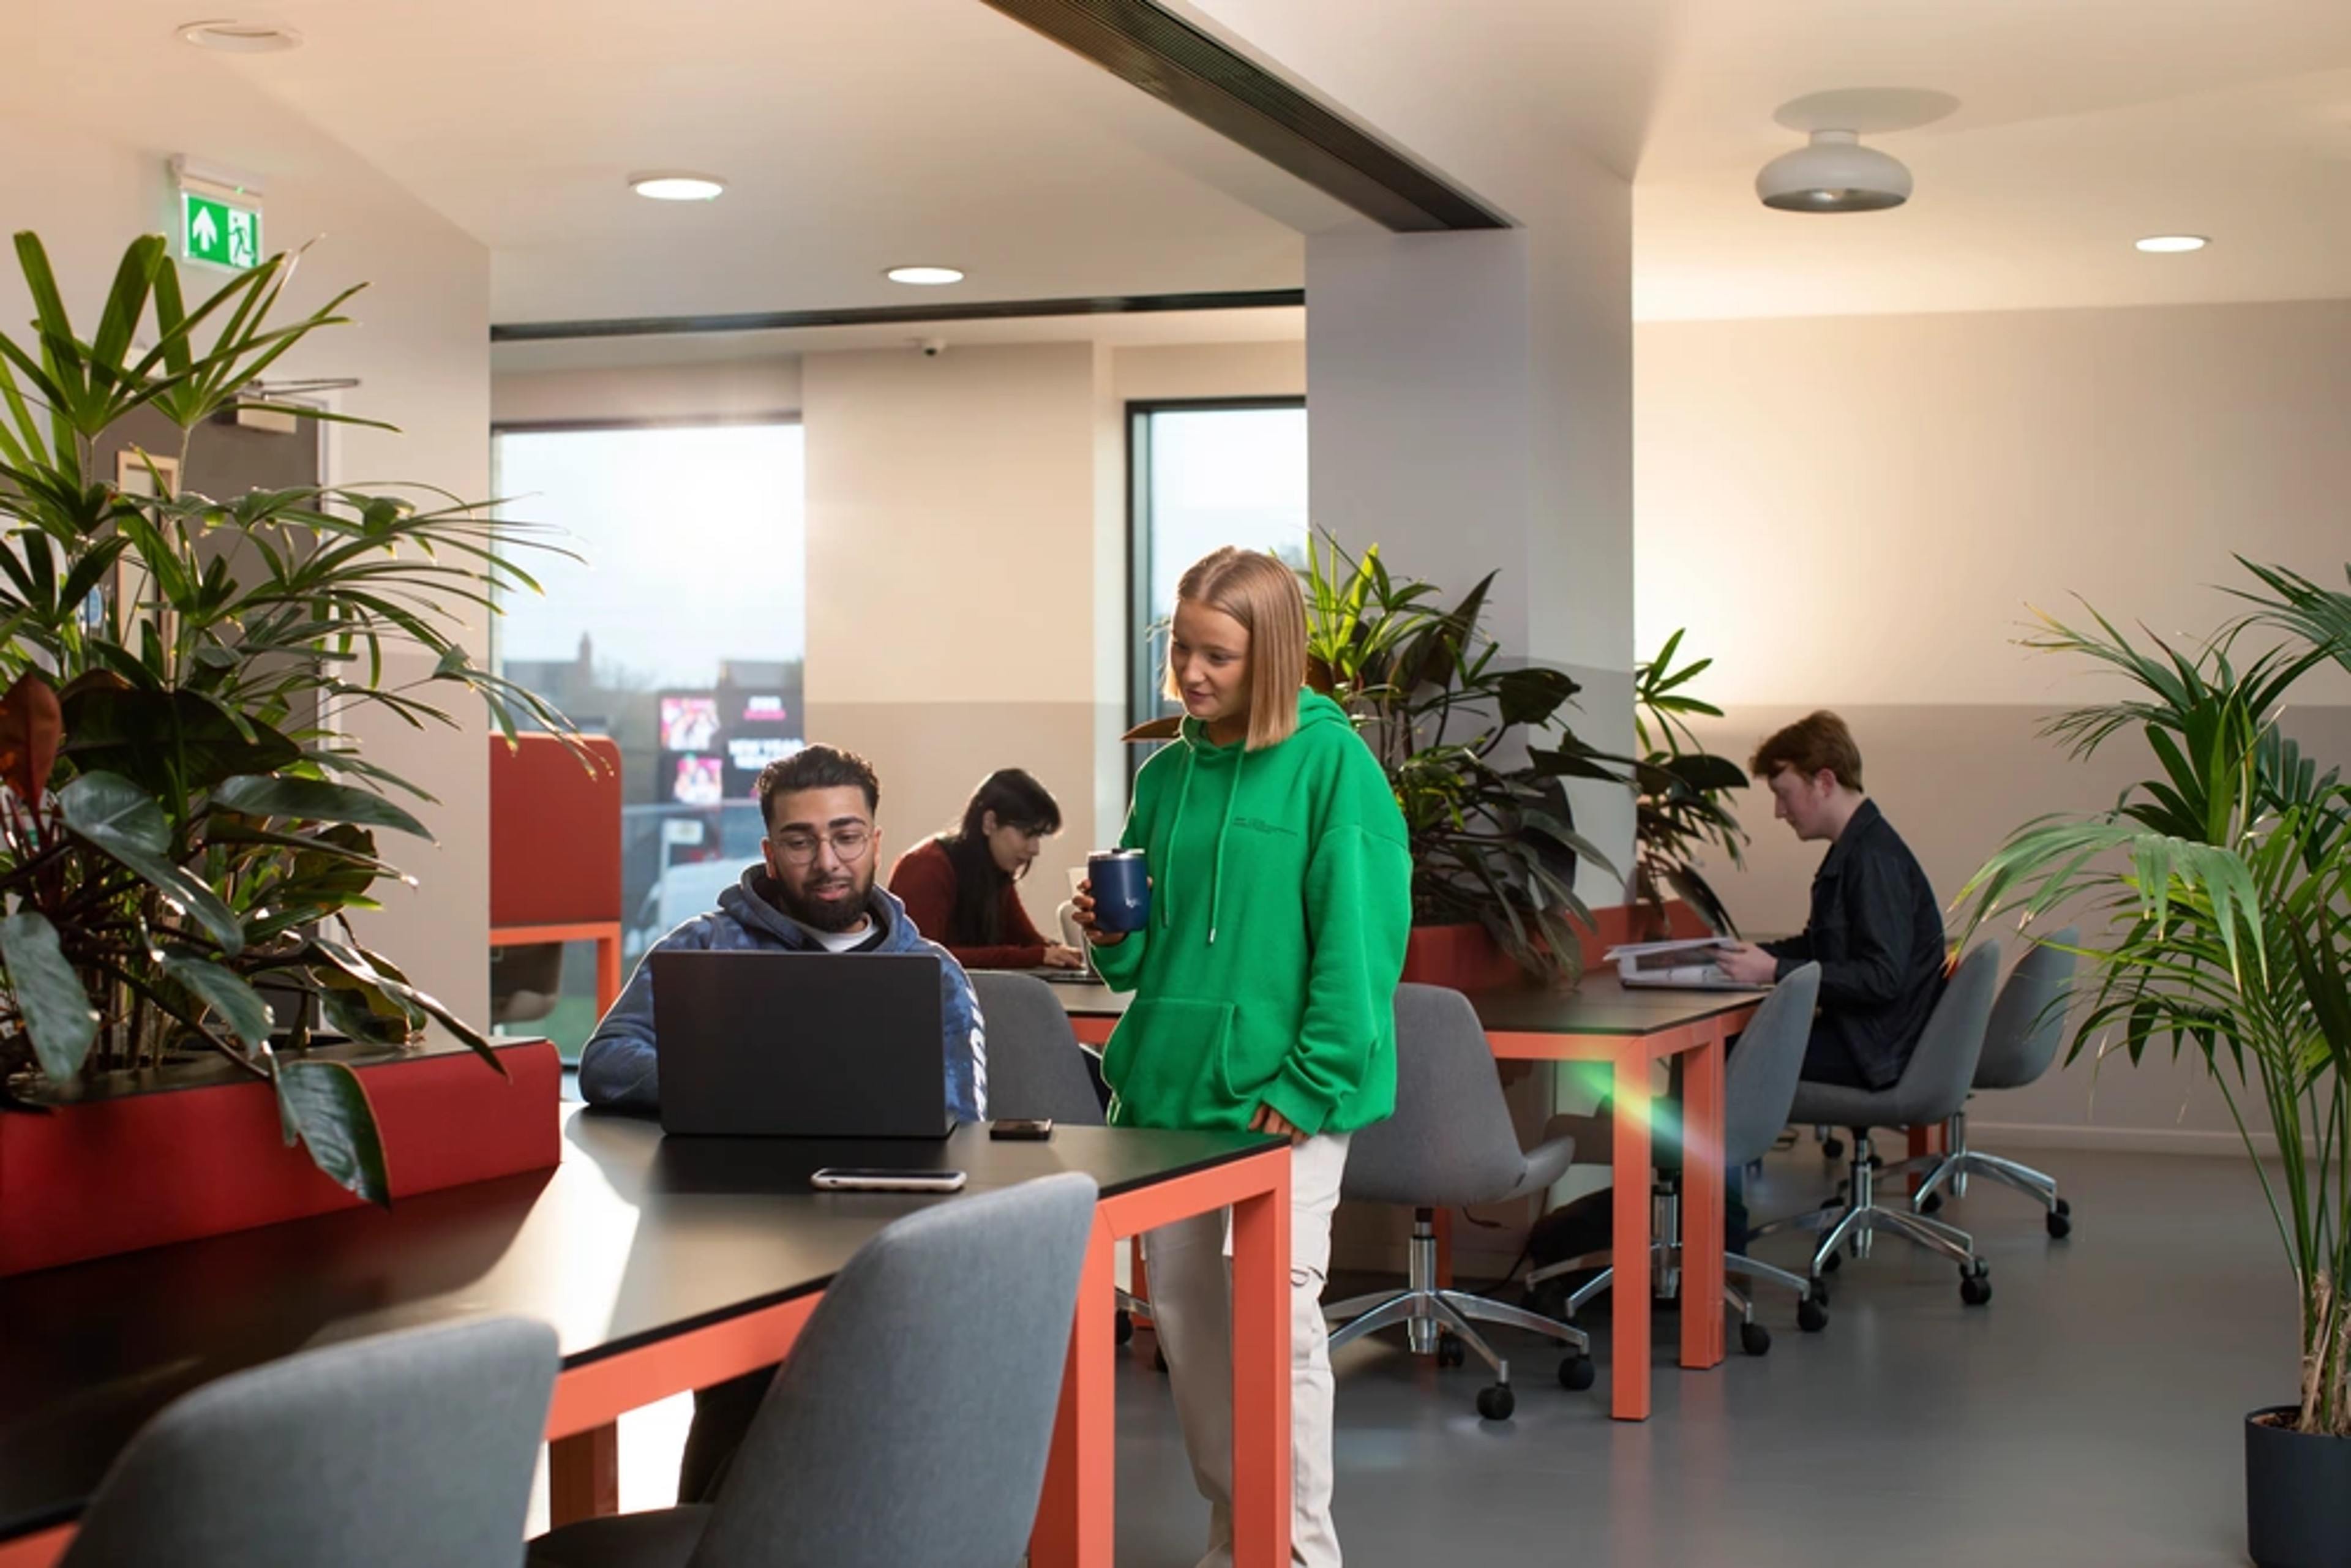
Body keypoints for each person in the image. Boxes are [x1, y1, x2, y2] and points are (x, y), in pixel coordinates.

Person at [1074, 546, 1411, 1568]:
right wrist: (1106, 926)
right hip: (1168, 1095)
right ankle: (1240, 1537)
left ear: (1271, 655)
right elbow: (1136, 959)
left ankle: (1299, 1554)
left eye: (1216, 653)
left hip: (1285, 1099)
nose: (1192, 671)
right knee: (1193, 1333)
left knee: (1280, 1329)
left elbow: (1360, 944)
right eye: (1181, 647)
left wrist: (1309, 1083)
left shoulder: (1331, 764)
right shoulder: (1168, 772)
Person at [578, 742, 988, 1501]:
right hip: (735, 1240)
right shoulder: (706, 946)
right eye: (801, 840)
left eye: (846, 834)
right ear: (770, 851)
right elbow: (608, 1059)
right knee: (737, 1415)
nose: (826, 858)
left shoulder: (930, 971)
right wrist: (744, 1086)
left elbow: (961, 1120)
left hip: (878, 1240)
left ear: (875, 839)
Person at [1714, 711, 1946, 1089]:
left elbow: (1881, 978)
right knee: (1728, 1045)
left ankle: (1688, 1150)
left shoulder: (1871, 860)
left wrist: (1774, 971)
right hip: (1872, 1040)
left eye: (1783, 794)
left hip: (1873, 1052)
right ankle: (1699, 1149)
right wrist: (1754, 957)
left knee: (1721, 1051)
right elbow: (1821, 948)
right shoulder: (1858, 849)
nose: (1779, 812)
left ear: (1824, 782)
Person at [887, 767, 1086, 971]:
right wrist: (1037, 955)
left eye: (1039, 837)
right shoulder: (926, 866)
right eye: (1027, 834)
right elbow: (925, 960)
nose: (1035, 849)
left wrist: (1056, 952)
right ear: (990, 822)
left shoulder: (993, 868)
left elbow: (1028, 941)